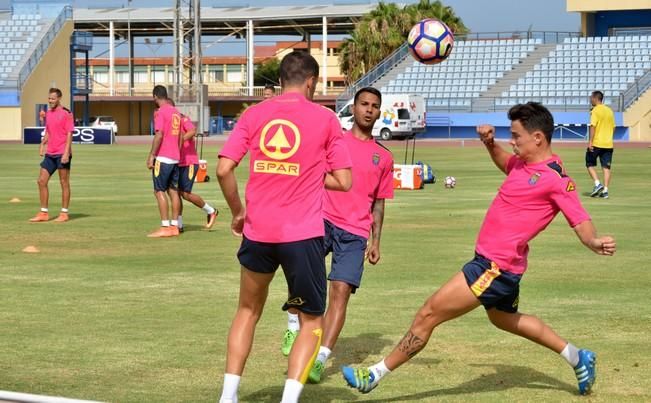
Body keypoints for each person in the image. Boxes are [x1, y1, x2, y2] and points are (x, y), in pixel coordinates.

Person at [341, 102, 616, 397]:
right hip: (501, 264)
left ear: (538, 138)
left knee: (428, 313)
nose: (512, 141)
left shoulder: (556, 179)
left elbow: (580, 219)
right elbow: (505, 162)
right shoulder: (523, 163)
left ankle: (373, 374)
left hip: (494, 267)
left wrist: (593, 241)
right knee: (503, 318)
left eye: (516, 136)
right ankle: (577, 357)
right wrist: (489, 144)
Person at [216, 51, 352, 403]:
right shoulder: (325, 120)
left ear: (279, 81)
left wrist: (236, 212)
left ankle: (227, 397)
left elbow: (223, 169)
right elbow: (345, 180)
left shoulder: (255, 114)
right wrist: (306, 172)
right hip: (302, 236)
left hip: (257, 232)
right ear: (311, 83)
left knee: (247, 311)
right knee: (311, 321)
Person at [280, 87, 394, 384]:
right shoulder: (334, 141)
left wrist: (376, 240)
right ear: (353, 108)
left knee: (340, 293)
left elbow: (378, 201)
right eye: (364, 104)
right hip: (321, 220)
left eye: (374, 106)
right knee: (301, 277)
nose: (369, 110)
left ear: (379, 112)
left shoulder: (383, 157)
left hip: (355, 233)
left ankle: (319, 360)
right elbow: (311, 176)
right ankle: (293, 321)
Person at [29, 88, 75, 223]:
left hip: (62, 153)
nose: (50, 101)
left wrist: (66, 152)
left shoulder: (67, 113)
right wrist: (43, 143)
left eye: (53, 98)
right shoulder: (48, 113)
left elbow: (69, 133)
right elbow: (49, 131)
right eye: (49, 98)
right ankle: (44, 213)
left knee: (64, 183)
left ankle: (64, 213)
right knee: (41, 181)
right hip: (50, 153)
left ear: (59, 98)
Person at [146, 85, 182, 238]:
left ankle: (165, 226)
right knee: (173, 191)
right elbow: (180, 136)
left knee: (159, 191)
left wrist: (152, 155)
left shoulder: (161, 112)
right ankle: (175, 226)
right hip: (175, 157)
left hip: (163, 157)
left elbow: (159, 135)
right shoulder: (176, 112)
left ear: (155, 96)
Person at [177, 112, 218, 232]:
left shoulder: (182, 119)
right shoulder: (169, 123)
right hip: (176, 162)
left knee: (185, 193)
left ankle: (211, 211)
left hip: (189, 162)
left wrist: (180, 140)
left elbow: (192, 130)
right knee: (175, 193)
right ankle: (178, 225)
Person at [586, 91, 615, 199]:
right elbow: (613, 127)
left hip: (597, 143)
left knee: (589, 164)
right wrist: (609, 138)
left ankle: (597, 184)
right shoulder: (609, 111)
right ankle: (606, 190)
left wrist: (590, 142)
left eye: (591, 98)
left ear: (595, 98)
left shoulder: (595, 110)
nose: (590, 99)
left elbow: (592, 126)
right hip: (608, 144)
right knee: (606, 167)